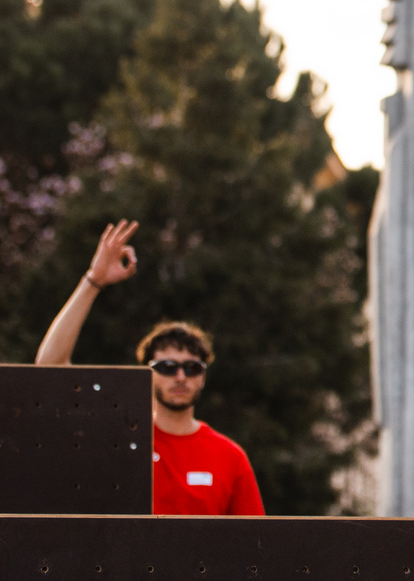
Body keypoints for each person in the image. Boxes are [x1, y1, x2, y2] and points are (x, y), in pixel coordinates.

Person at [35, 220, 265, 516]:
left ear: (203, 377)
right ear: (147, 373)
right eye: (167, 366)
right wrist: (93, 281)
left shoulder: (229, 457)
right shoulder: (120, 441)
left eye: (192, 367)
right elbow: (49, 368)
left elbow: (255, 541)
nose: (180, 376)